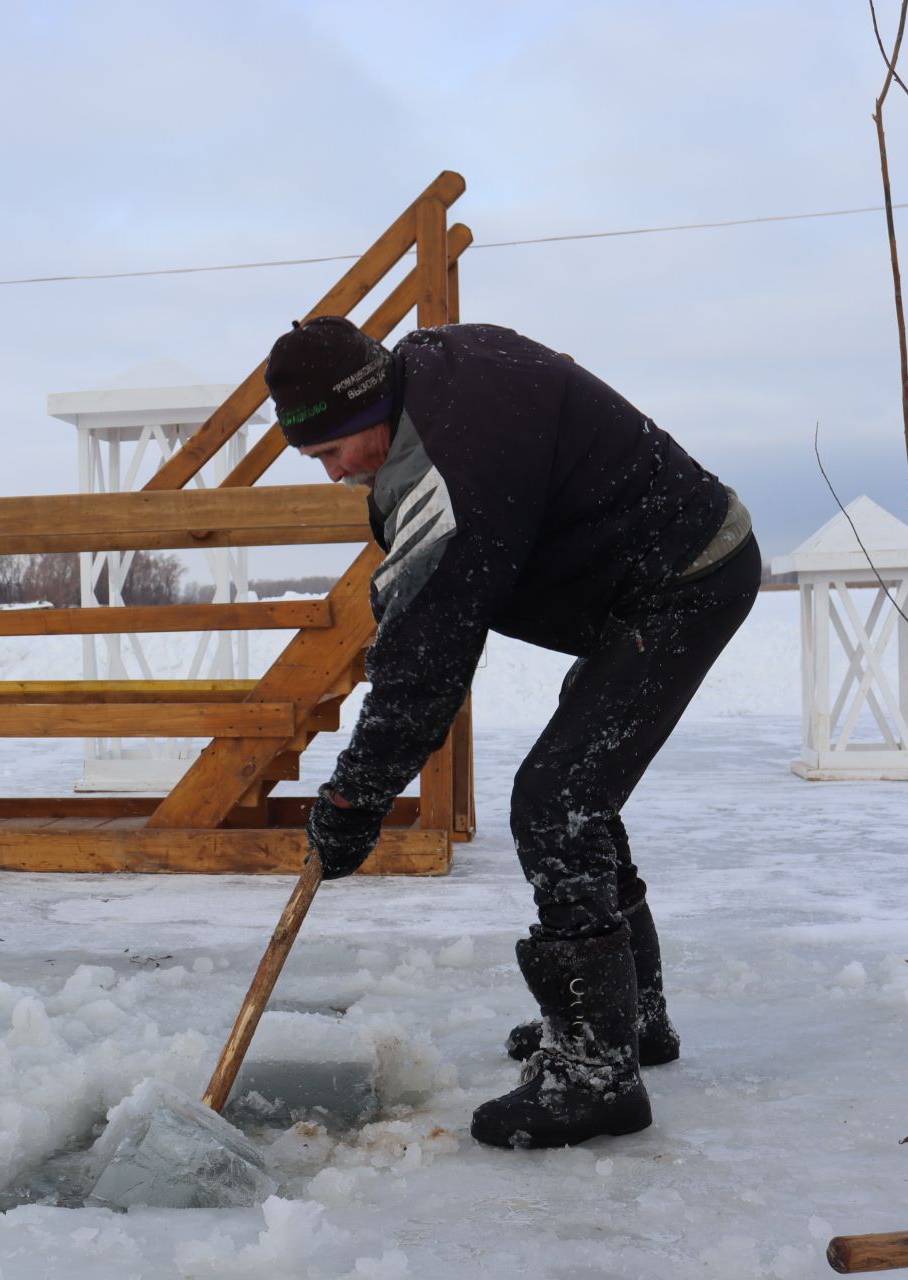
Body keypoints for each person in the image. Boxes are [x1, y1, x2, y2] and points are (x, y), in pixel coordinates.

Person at [270, 317, 758, 1149]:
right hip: (633, 585)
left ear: (370, 396)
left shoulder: (457, 462)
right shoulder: (419, 384)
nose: (338, 470)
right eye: (318, 459)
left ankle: (598, 1074)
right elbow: (418, 605)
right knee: (579, 792)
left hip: (687, 576)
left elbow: (427, 666)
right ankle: (629, 1022)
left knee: (556, 797)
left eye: (336, 449)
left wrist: (354, 798)